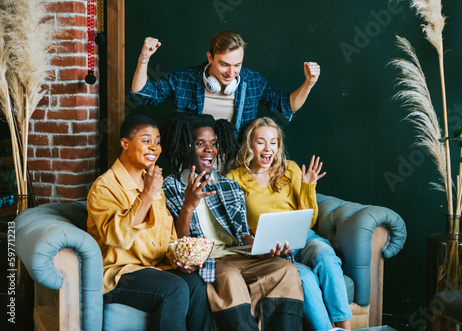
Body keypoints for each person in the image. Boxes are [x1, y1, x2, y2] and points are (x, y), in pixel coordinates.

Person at [161, 114, 304, 331]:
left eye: (214, 144)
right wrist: (188, 205)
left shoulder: (229, 186)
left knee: (285, 269)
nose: (210, 150)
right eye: (200, 144)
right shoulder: (170, 186)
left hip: (238, 254)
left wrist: (262, 248)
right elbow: (179, 241)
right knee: (229, 276)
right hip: (207, 260)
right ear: (184, 148)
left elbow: (242, 234)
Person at [87, 115, 213, 331]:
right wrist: (147, 194)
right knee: (174, 288)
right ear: (125, 143)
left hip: (155, 267)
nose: (154, 147)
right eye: (146, 140)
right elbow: (118, 238)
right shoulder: (104, 187)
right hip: (119, 274)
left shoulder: (152, 182)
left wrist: (180, 260)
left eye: (157, 141)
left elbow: (167, 238)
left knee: (196, 284)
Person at [226, 117, 352, 331]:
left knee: (327, 258)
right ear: (250, 144)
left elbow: (310, 220)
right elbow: (235, 226)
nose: (268, 149)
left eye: (273, 142)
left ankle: (346, 328)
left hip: (304, 237)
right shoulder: (234, 178)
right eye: (261, 142)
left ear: (279, 145)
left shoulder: (291, 169)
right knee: (305, 277)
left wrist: (308, 186)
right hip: (271, 247)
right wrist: (258, 245)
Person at [130, 30, 321, 132]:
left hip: (237, 167)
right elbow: (140, 95)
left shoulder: (252, 81)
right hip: (192, 164)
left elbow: (288, 106)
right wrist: (144, 58)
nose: (231, 72)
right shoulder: (183, 78)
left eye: (237, 65)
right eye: (224, 64)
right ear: (210, 57)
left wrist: (309, 83)